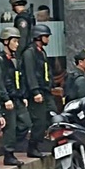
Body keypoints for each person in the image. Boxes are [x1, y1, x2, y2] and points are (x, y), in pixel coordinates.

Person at [0, 27, 31, 168]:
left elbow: (20, 78)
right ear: (6, 42)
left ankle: (12, 145)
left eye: (17, 41)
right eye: (14, 41)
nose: (17, 44)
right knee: (10, 127)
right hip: (8, 100)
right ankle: (8, 154)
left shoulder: (16, 59)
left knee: (26, 123)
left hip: (17, 97)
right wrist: (5, 98)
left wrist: (23, 95)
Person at [23, 23, 54, 161]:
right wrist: (35, 91)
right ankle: (33, 146)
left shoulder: (41, 52)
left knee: (53, 115)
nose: (48, 39)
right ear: (39, 37)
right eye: (46, 36)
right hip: (37, 92)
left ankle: (46, 141)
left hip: (45, 90)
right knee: (39, 120)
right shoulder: (30, 53)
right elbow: (30, 74)